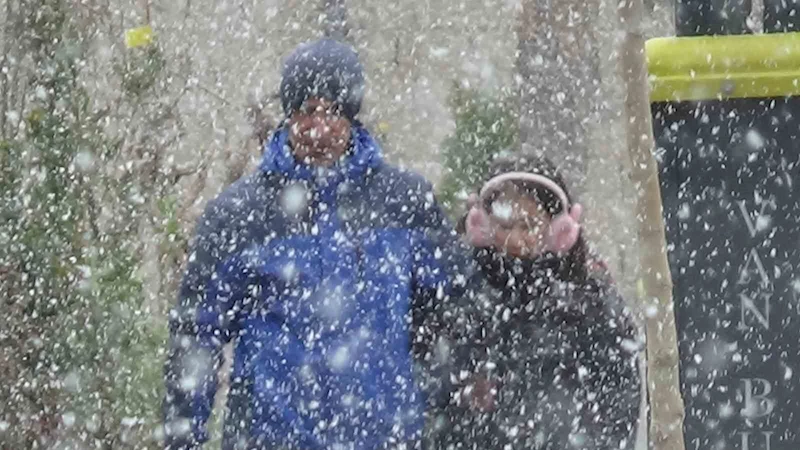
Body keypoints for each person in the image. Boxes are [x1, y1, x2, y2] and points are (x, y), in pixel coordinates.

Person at [162, 38, 472, 450]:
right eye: (307, 111)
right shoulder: (238, 215)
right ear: (289, 115)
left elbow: (457, 312)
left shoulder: (405, 202)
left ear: (353, 116)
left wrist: (437, 413)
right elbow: (195, 339)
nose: (319, 128)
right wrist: (183, 437)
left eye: (333, 111)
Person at [438, 153, 642, 449]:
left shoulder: (590, 302)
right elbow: (438, 394)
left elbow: (619, 397)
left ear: (560, 231)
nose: (516, 240)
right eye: (505, 226)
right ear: (481, 224)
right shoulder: (461, 295)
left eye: (528, 225)